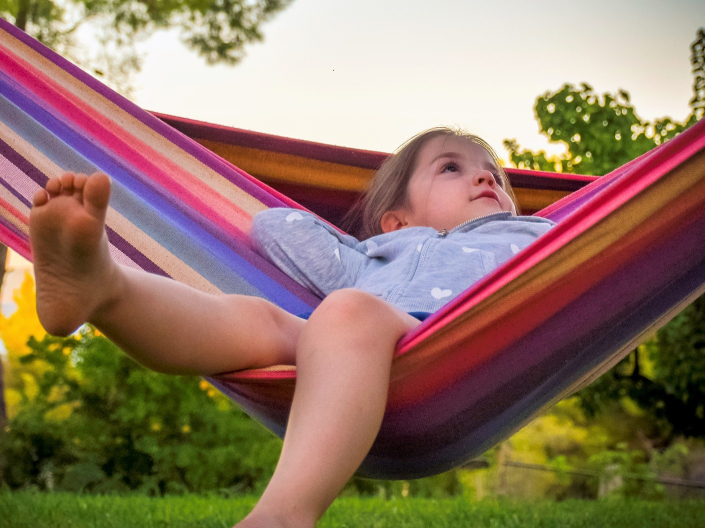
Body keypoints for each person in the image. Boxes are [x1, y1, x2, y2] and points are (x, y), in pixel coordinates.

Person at [28, 127, 554, 527]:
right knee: (268, 319)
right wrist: (360, 244)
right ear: (396, 219)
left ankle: (282, 513)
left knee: (348, 310)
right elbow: (274, 227)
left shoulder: (533, 234)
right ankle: (104, 288)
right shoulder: (374, 256)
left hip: (455, 350)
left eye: (495, 174)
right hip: (342, 356)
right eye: (450, 169)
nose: (485, 177)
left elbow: (581, 273)